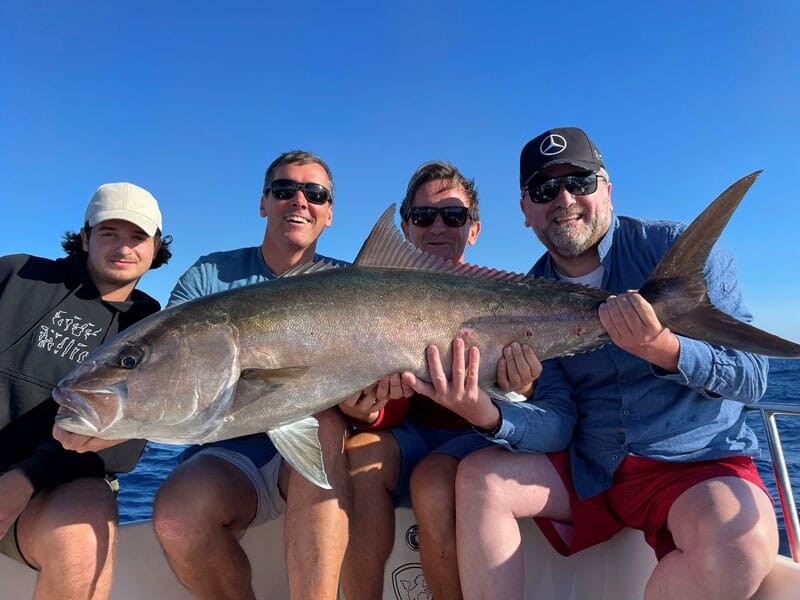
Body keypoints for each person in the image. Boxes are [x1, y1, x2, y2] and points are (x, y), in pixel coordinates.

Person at [403, 127, 779, 600]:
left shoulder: (672, 249)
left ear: (607, 187)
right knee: (479, 478)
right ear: (525, 210)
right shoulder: (522, 297)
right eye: (544, 190)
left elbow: (752, 376)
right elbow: (559, 421)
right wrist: (490, 411)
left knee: (741, 547)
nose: (564, 199)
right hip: (591, 468)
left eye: (578, 182)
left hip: (692, 464)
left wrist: (665, 350)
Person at [150, 150, 352, 600]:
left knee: (327, 424)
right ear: (264, 203)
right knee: (177, 518)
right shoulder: (209, 277)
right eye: (284, 190)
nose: (299, 200)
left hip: (321, 450)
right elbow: (170, 368)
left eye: (314, 193)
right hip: (230, 452)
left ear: (329, 213)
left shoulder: (355, 283)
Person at [339, 161, 539, 600]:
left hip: (477, 435)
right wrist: (363, 407)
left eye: (453, 216)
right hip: (411, 433)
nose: (437, 227)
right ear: (405, 227)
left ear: (474, 229)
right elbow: (384, 404)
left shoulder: (507, 296)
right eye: (423, 216)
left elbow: (529, 407)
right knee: (358, 455)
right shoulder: (369, 293)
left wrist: (520, 389)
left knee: (431, 484)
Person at [0, 182, 172, 600]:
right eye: (109, 233)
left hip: (56, 486)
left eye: (137, 237)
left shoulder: (152, 326)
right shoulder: (16, 274)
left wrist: (22, 480)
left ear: (155, 247)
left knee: (85, 533)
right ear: (85, 236)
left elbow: (121, 445)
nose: (123, 247)